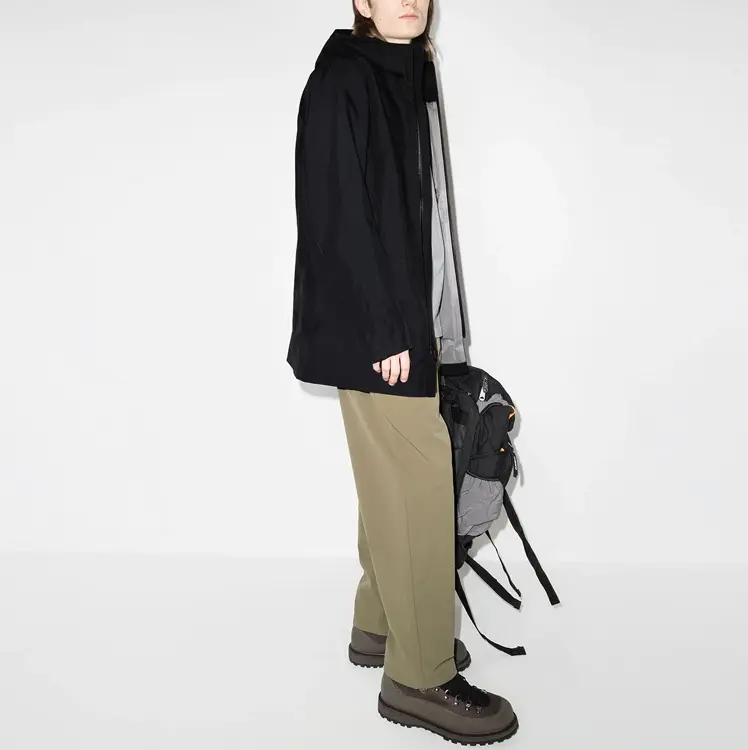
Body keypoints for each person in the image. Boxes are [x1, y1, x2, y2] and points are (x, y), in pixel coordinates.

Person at [287, 1, 518, 744]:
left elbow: (421, 211)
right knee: (417, 478)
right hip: (377, 328)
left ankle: (381, 626)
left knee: (391, 476)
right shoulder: (344, 78)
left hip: (404, 320)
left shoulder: (404, 68)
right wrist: (388, 328)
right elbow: (335, 213)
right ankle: (419, 675)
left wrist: (431, 324)